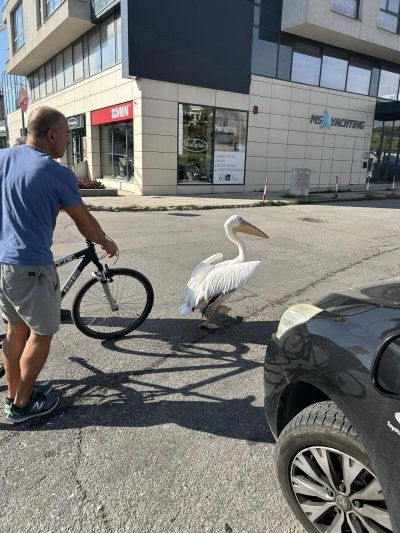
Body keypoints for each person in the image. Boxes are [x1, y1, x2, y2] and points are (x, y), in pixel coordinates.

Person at [0, 106, 118, 424]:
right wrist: (105, 241)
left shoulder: (3, 158)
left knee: (15, 332)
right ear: (51, 134)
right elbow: (85, 224)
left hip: (4, 264)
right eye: (67, 134)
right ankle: (22, 406)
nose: (68, 141)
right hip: (31, 267)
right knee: (41, 334)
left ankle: (15, 392)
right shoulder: (57, 172)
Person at [12, 134, 71, 322]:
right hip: (28, 253)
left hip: (15, 249)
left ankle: (46, 308)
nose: (68, 141)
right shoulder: (44, 171)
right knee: (40, 334)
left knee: (17, 327)